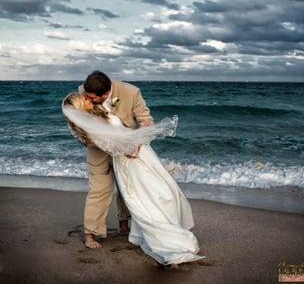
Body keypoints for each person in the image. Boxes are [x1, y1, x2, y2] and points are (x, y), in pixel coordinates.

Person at [62, 88, 205, 267]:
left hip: (140, 153)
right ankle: (92, 233)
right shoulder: (88, 127)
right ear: (80, 108)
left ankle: (135, 226)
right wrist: (129, 147)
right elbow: (109, 144)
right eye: (85, 99)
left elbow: (120, 112)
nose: (88, 98)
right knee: (123, 193)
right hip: (126, 156)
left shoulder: (101, 106)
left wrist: (136, 133)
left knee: (160, 191)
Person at [66, 71, 154, 249]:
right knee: (99, 190)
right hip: (98, 151)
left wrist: (136, 144)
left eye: (91, 98)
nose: (86, 99)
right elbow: (77, 121)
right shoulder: (84, 92)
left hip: (127, 150)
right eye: (86, 95)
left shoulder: (131, 93)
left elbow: (146, 121)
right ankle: (90, 233)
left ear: (105, 94)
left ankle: (124, 225)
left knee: (128, 189)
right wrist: (83, 138)